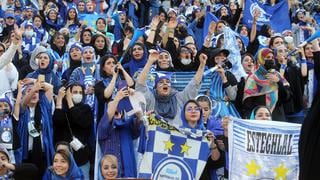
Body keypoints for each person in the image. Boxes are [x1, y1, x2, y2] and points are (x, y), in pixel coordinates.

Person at [136, 50, 207, 126]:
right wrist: (150, 62)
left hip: (177, 136)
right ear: (156, 87)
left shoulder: (179, 97)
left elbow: (194, 84)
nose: (165, 83)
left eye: (167, 82)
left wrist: (202, 65)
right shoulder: (151, 98)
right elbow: (140, 85)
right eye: (161, 82)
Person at [97, 87, 142, 178]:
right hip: (110, 175)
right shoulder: (102, 127)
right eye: (112, 106)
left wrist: (135, 98)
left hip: (128, 174)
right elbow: (109, 116)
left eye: (118, 106)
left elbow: (139, 122)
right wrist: (117, 99)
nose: (115, 108)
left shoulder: (128, 125)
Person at [53, 83, 93, 179]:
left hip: (81, 157)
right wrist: (59, 99)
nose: (77, 94)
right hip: (64, 158)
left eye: (80, 92)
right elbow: (57, 121)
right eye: (74, 92)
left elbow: (81, 121)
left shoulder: (86, 108)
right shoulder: (62, 108)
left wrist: (70, 102)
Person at [17, 78, 55, 177]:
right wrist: (34, 88)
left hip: (42, 153)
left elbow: (50, 88)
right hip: (26, 155)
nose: (34, 94)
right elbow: (24, 103)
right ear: (24, 95)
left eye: (37, 92)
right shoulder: (22, 109)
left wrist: (33, 80)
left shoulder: (44, 107)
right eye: (29, 91)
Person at [243, 48, 291, 121]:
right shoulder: (252, 78)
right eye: (268, 57)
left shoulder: (277, 75)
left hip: (277, 117)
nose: (271, 60)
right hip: (259, 119)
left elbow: (287, 97)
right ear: (261, 59)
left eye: (272, 58)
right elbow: (248, 104)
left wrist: (278, 82)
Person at [94, 54, 134, 123]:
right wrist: (114, 76)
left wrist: (122, 69)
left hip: (125, 114)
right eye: (108, 63)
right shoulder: (99, 84)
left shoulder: (122, 78)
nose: (112, 65)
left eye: (114, 63)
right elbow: (107, 95)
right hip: (109, 117)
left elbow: (131, 84)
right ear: (103, 68)